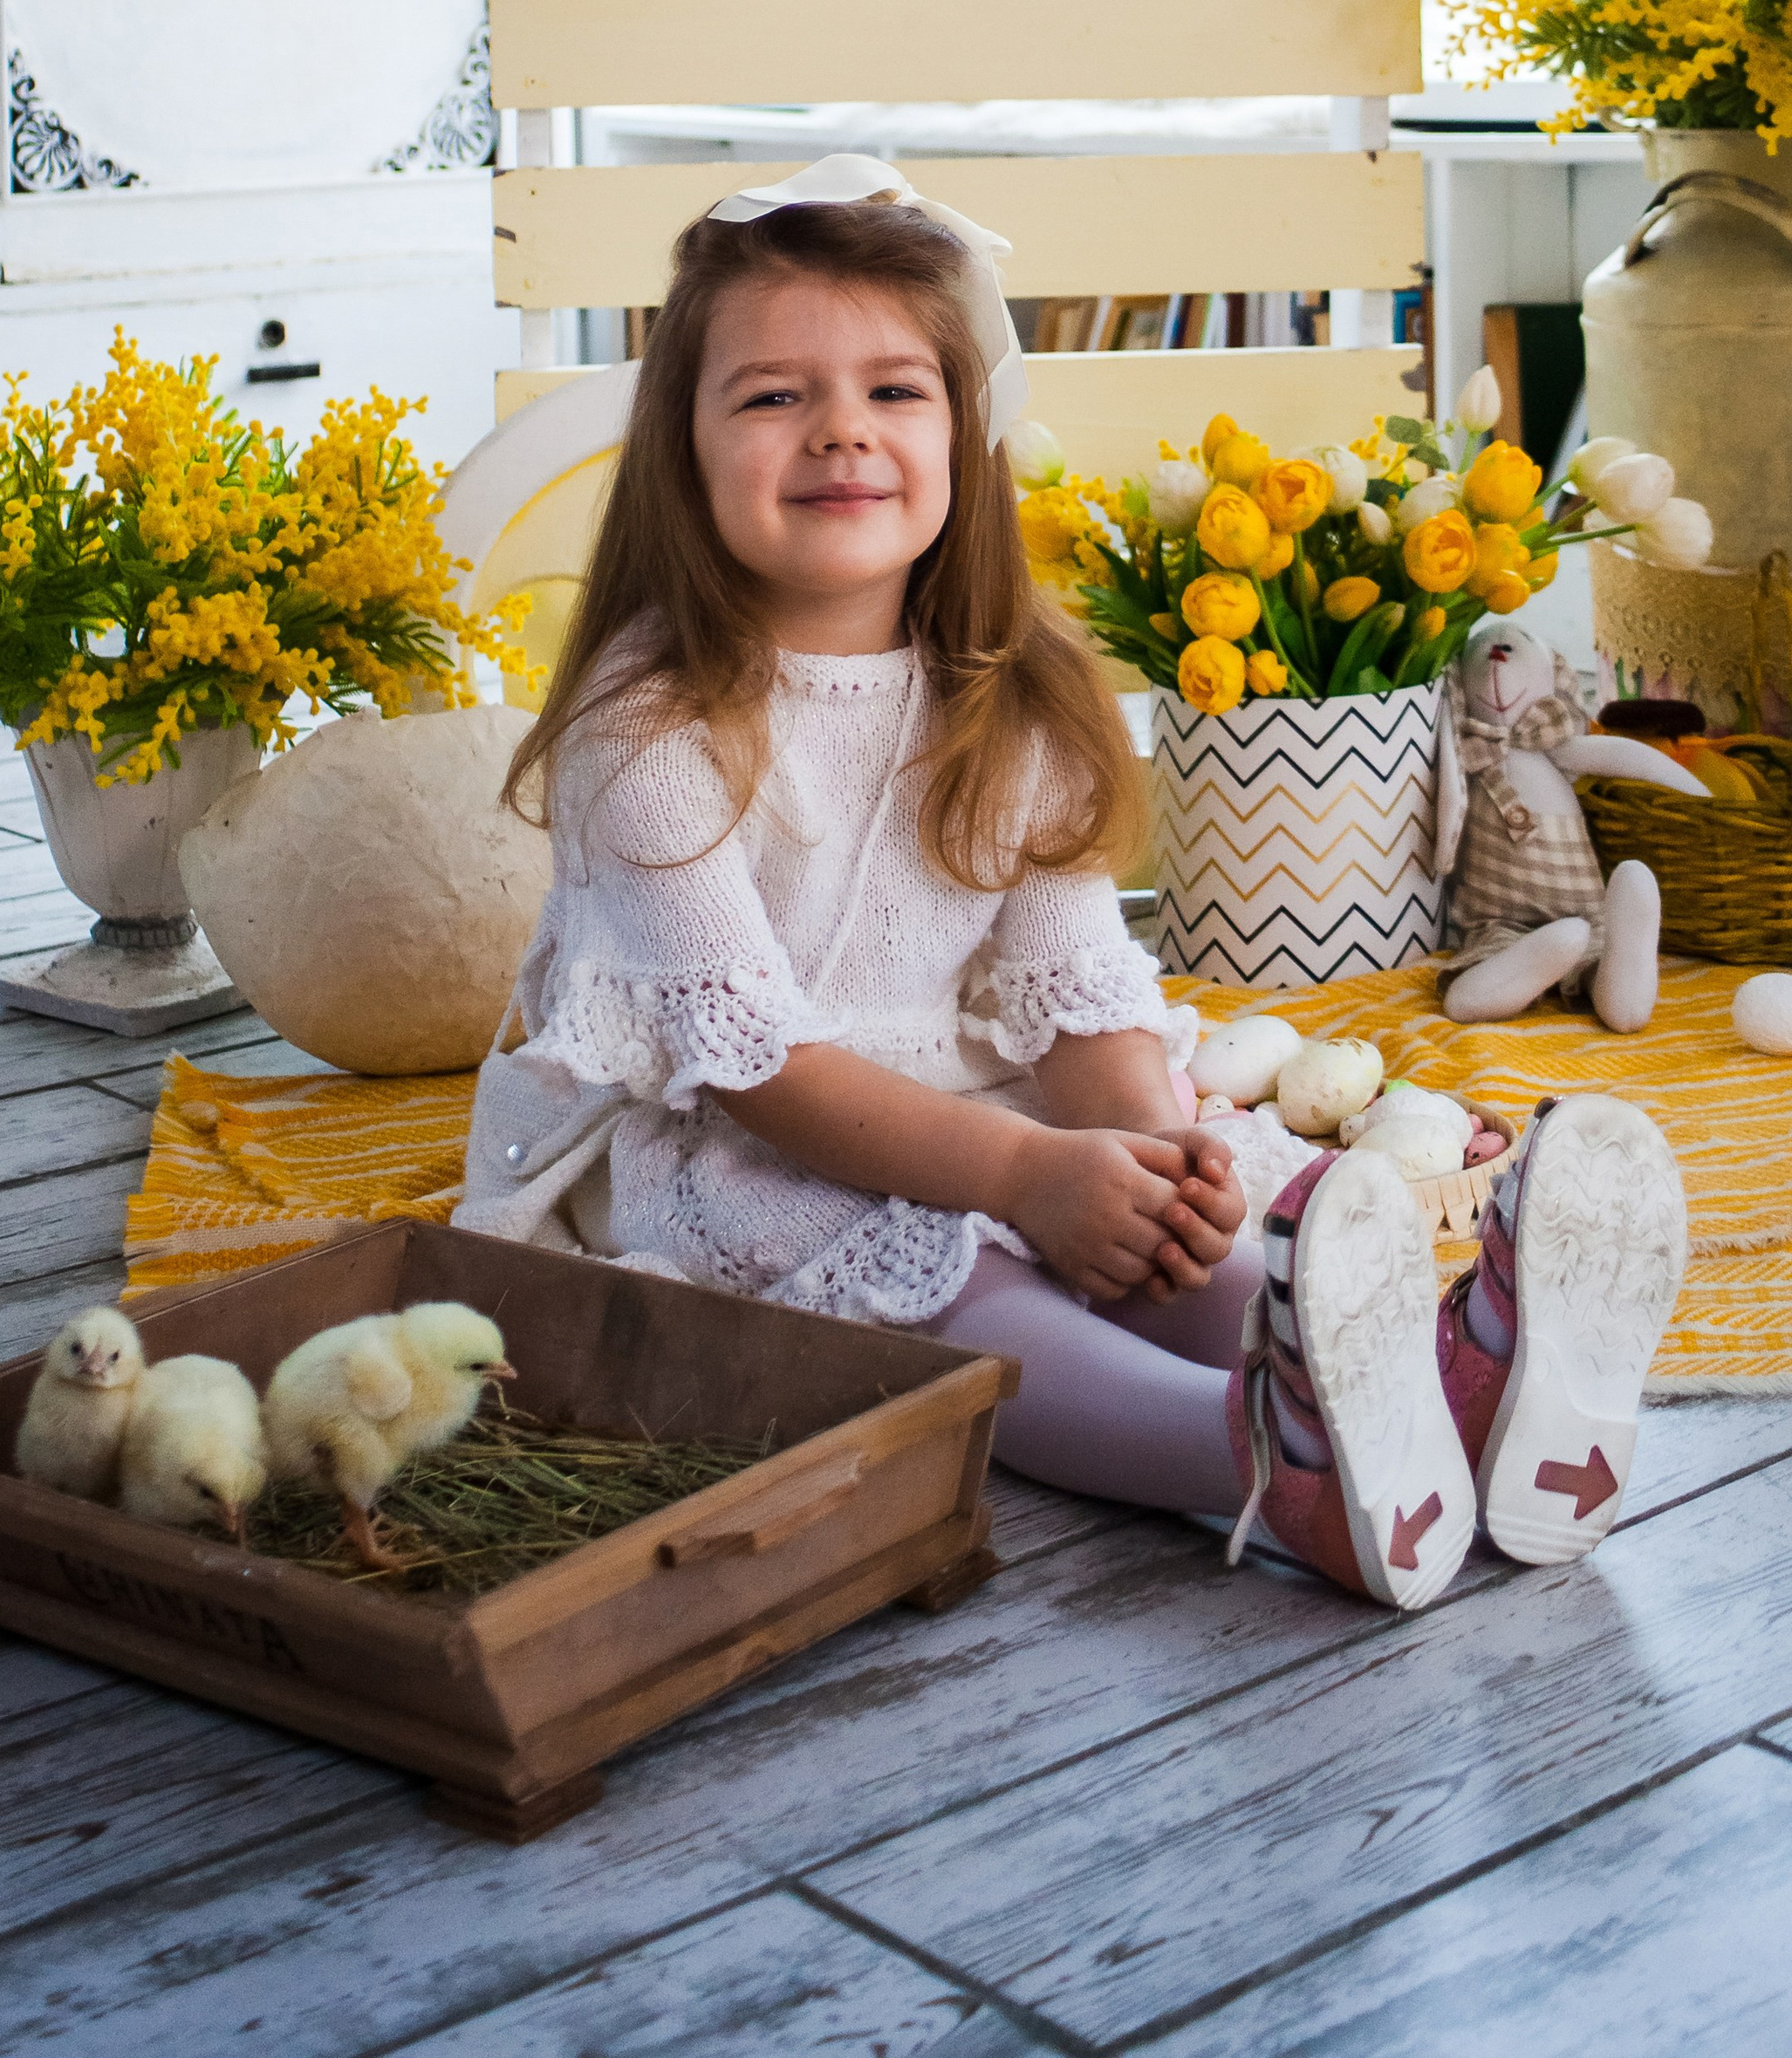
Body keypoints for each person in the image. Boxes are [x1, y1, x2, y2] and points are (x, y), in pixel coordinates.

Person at [458, 157, 1687, 1614]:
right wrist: (1032, 1179)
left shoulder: (1012, 698)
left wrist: (1151, 1171)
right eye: (774, 395)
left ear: (967, 433)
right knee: (970, 1287)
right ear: (687, 447)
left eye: (895, 391)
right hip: (730, 1150)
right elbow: (755, 1069)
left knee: (1183, 1251)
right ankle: (1262, 1464)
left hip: (977, 1104)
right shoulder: (653, 724)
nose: (841, 430)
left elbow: (1080, 999)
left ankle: (1454, 1389)